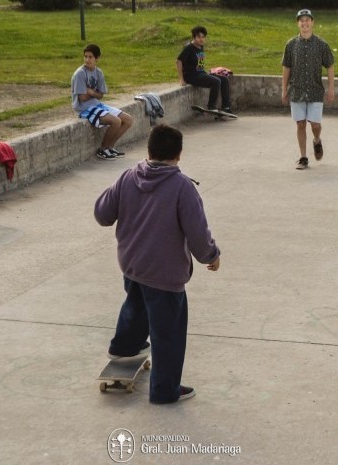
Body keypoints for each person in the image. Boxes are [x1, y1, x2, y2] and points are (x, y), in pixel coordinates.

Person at [94, 124, 221, 404]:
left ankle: (124, 348)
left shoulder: (128, 177)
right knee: (168, 333)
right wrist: (211, 256)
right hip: (164, 274)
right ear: (179, 155)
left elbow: (102, 214)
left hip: (132, 263)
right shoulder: (181, 188)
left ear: (148, 150)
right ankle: (164, 391)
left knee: (136, 304)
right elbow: (197, 232)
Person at [281, 8, 335, 170]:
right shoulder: (291, 45)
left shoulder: (321, 45)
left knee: (315, 124)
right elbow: (286, 68)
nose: (304, 23)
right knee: (300, 124)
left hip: (315, 90)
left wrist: (331, 89)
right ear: (298, 23)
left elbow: (330, 66)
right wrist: (284, 89)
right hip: (296, 90)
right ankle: (303, 157)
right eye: (301, 20)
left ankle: (317, 140)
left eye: (307, 20)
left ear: (312, 22)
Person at [71, 44, 133, 160]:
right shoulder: (80, 74)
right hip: (84, 108)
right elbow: (82, 98)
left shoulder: (98, 73)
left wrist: (91, 92)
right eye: (85, 57)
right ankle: (103, 149)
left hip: (96, 104)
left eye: (90, 57)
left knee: (128, 120)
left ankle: (110, 147)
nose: (87, 60)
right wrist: (94, 93)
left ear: (97, 58)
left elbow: (100, 95)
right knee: (116, 121)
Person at [176, 25, 235, 116]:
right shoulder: (189, 48)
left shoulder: (200, 47)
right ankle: (211, 106)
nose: (201, 39)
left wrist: (208, 74)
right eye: (199, 37)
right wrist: (181, 79)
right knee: (216, 81)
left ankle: (226, 107)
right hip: (192, 76)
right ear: (194, 37)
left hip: (201, 74)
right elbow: (178, 61)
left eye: (203, 37)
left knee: (224, 79)